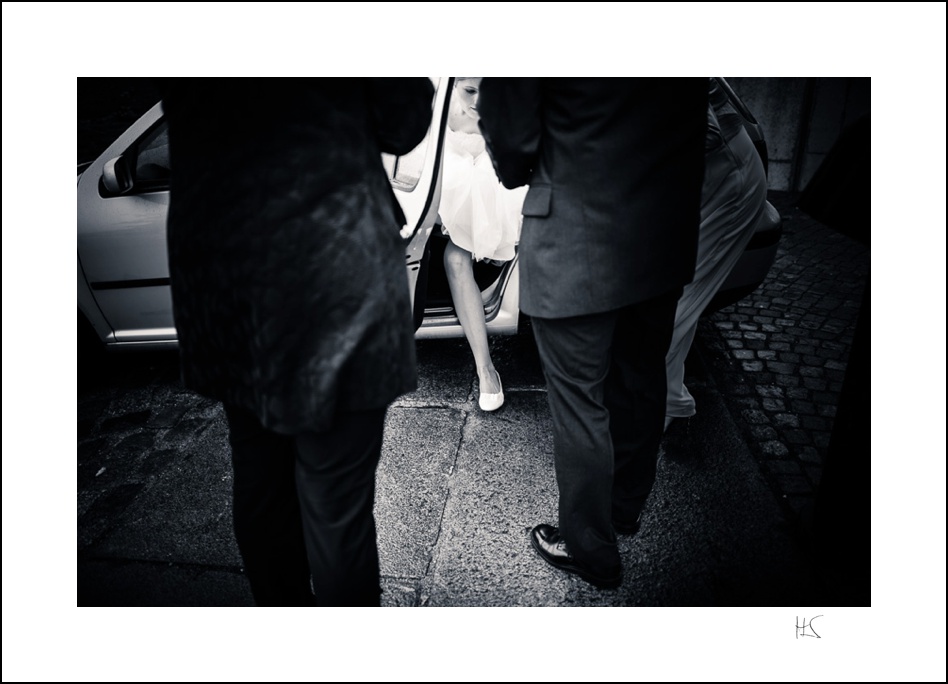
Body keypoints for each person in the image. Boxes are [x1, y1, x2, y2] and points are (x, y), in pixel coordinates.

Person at [159, 78, 434, 606]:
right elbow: (404, 123)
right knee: (336, 503)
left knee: (261, 480)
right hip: (330, 266)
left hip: (226, 270)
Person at [477, 78, 708, 588]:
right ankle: (624, 509)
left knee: (580, 400)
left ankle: (591, 550)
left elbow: (509, 136)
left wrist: (525, 166)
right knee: (641, 375)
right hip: (659, 230)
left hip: (576, 237)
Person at [664, 77, 769, 431]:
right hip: (698, 184)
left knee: (671, 307)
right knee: (670, 300)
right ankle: (671, 405)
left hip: (729, 185)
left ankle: (659, 415)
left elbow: (707, 133)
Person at [439, 77, 527, 411]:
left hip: (496, 192)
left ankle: (486, 369)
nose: (478, 100)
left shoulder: (506, 108)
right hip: (446, 201)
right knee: (449, 256)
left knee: (454, 259)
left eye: (485, 89)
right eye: (469, 91)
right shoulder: (439, 111)